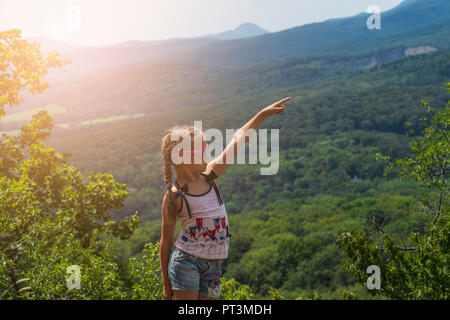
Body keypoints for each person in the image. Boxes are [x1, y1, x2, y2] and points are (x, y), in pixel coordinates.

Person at [159, 97, 291, 300]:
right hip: (186, 264)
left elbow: (238, 139)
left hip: (214, 267)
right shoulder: (175, 196)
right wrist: (167, 286)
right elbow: (166, 241)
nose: (207, 152)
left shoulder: (212, 175)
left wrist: (261, 115)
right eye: (202, 149)